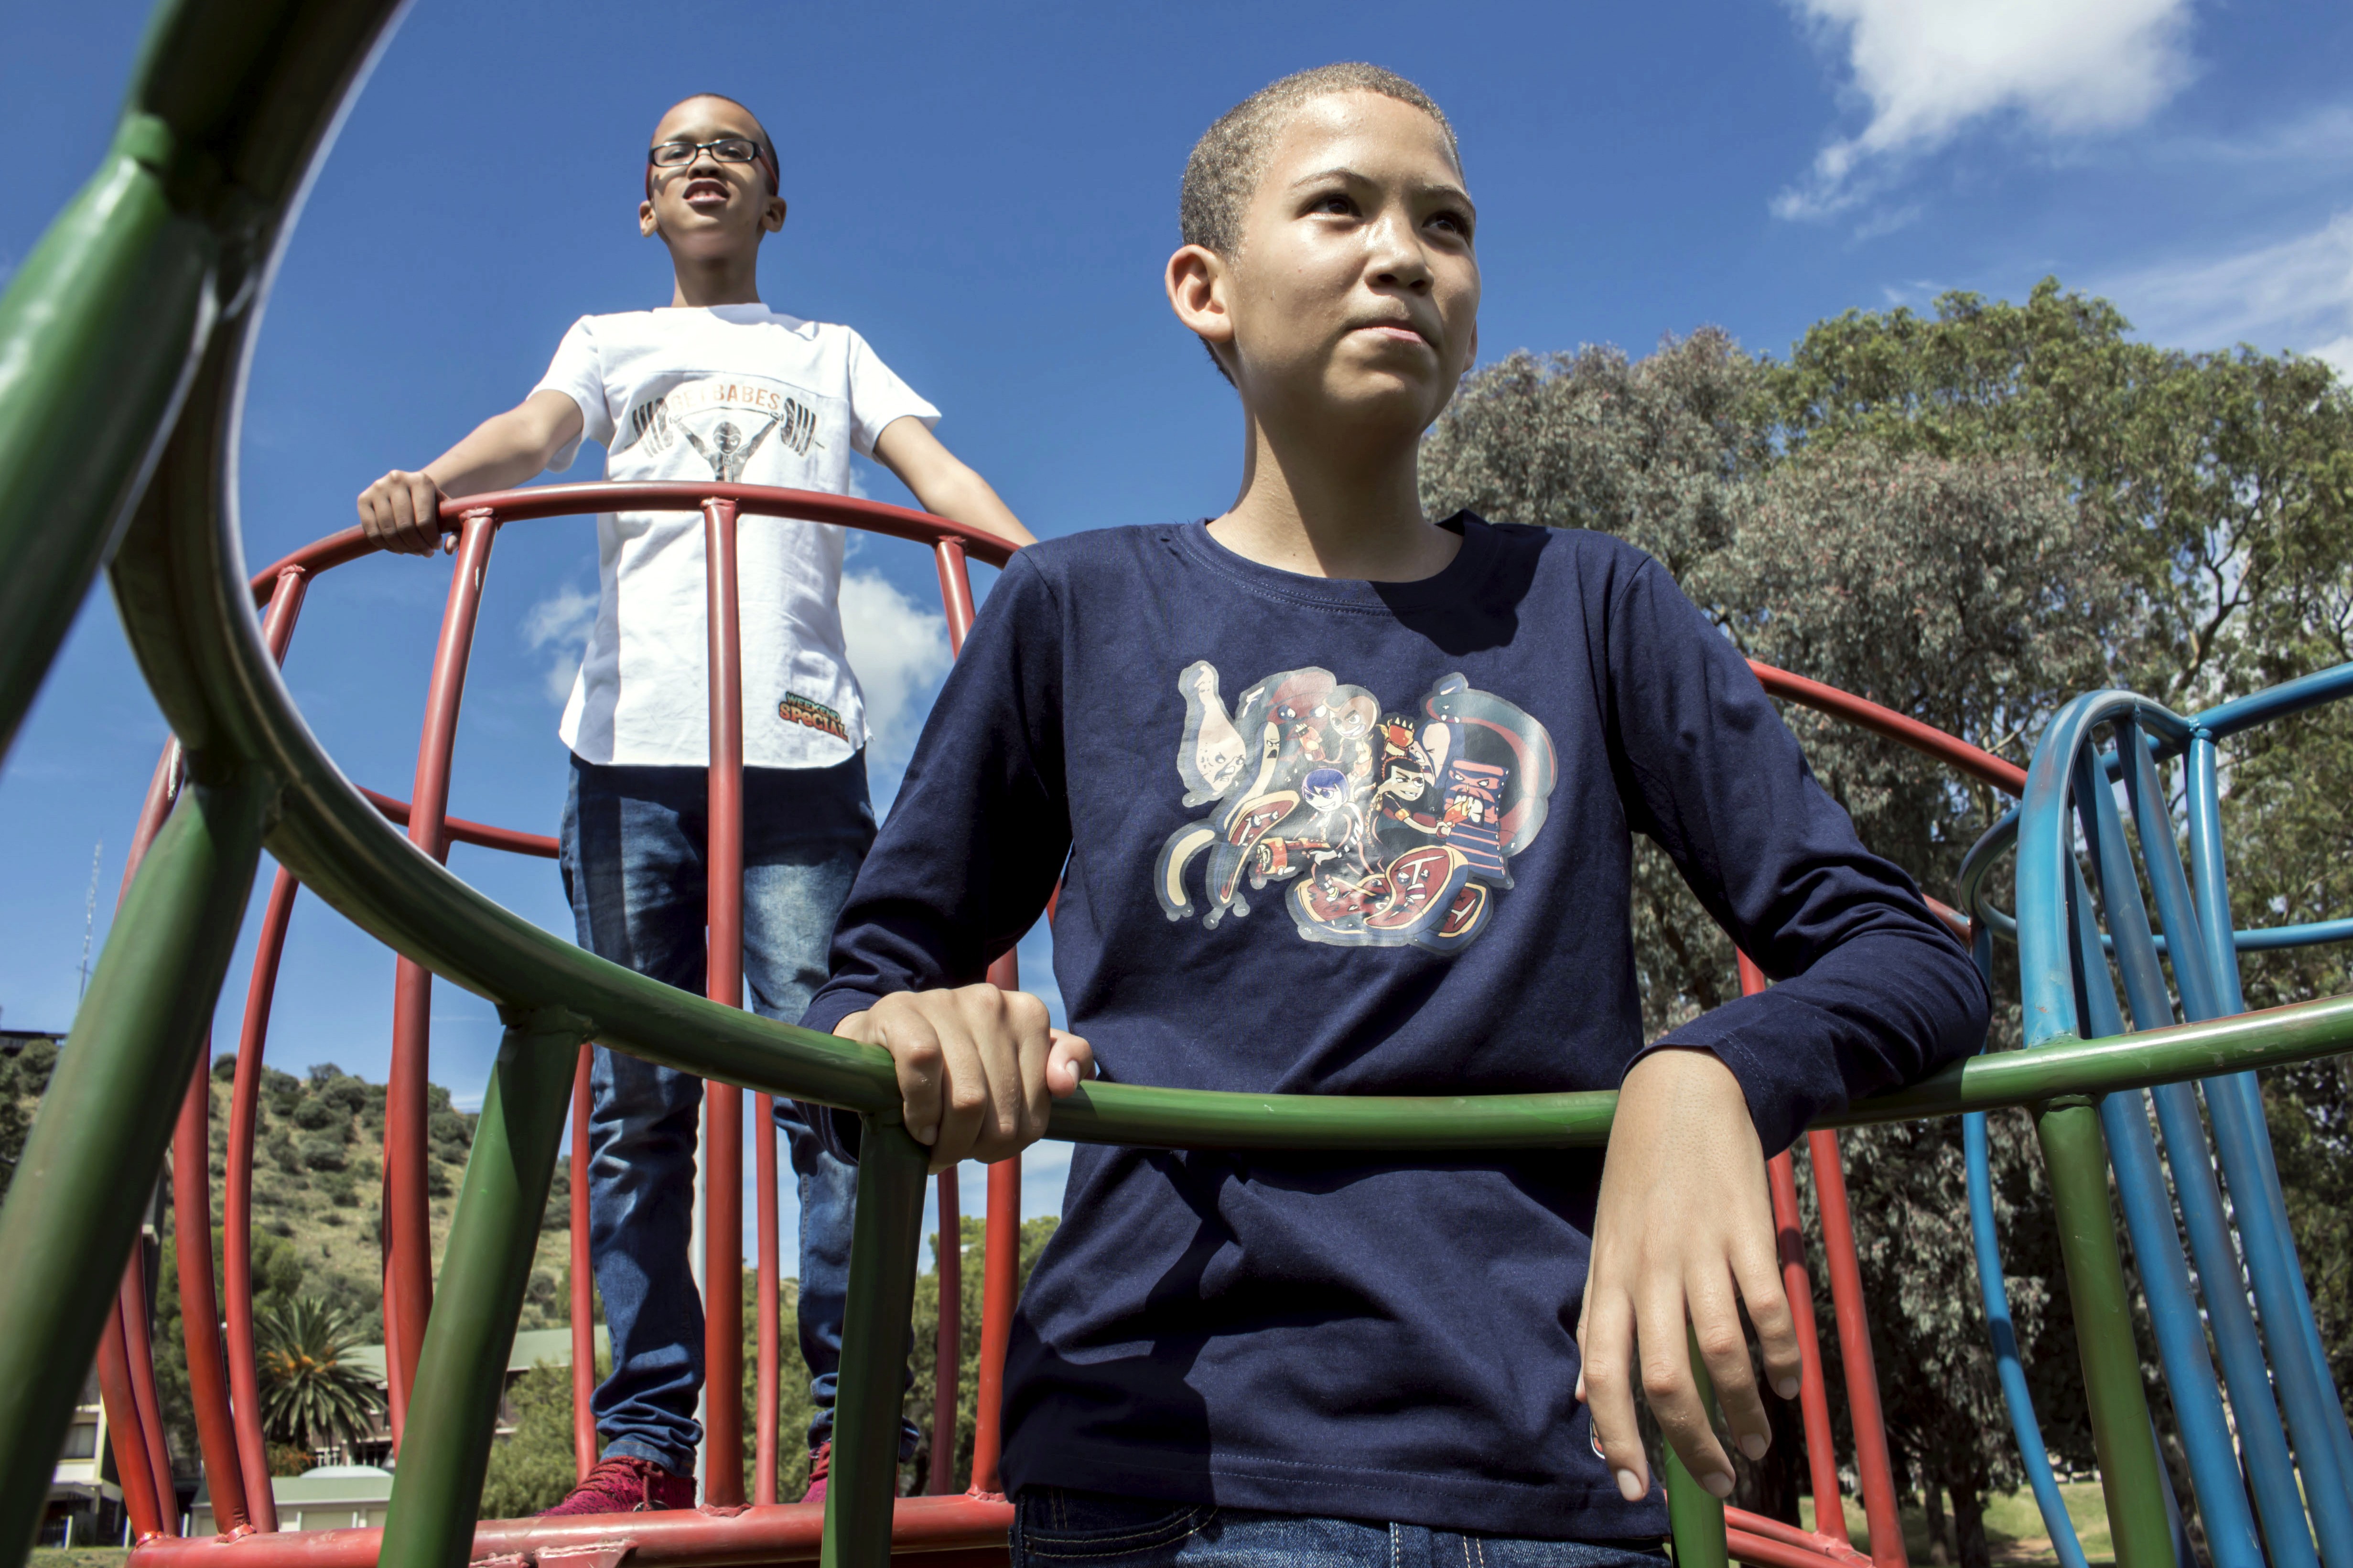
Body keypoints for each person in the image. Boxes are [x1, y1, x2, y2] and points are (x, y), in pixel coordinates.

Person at [798, 63, 1987, 1568]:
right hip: (1166, 1462)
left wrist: (1707, 1071)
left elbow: (1909, 953)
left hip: (1553, 1467)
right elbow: (863, 990)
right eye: (1339, 207)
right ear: (1203, 289)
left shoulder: (1590, 603)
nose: (1402, 253)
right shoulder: (1076, 611)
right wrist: (916, 1028)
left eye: (1446, 223)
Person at [355, 91, 1032, 1515]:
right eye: (675, 153)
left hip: (799, 753)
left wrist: (1044, 575)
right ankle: (646, 1441)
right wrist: (433, 483)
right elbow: (536, 433)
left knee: (838, 1092)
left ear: (774, 207)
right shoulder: (612, 343)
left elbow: (935, 471)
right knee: (634, 1108)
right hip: (628, 756)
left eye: (735, 150)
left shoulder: (827, 351)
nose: (704, 162)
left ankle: (857, 1422)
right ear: (647, 206)